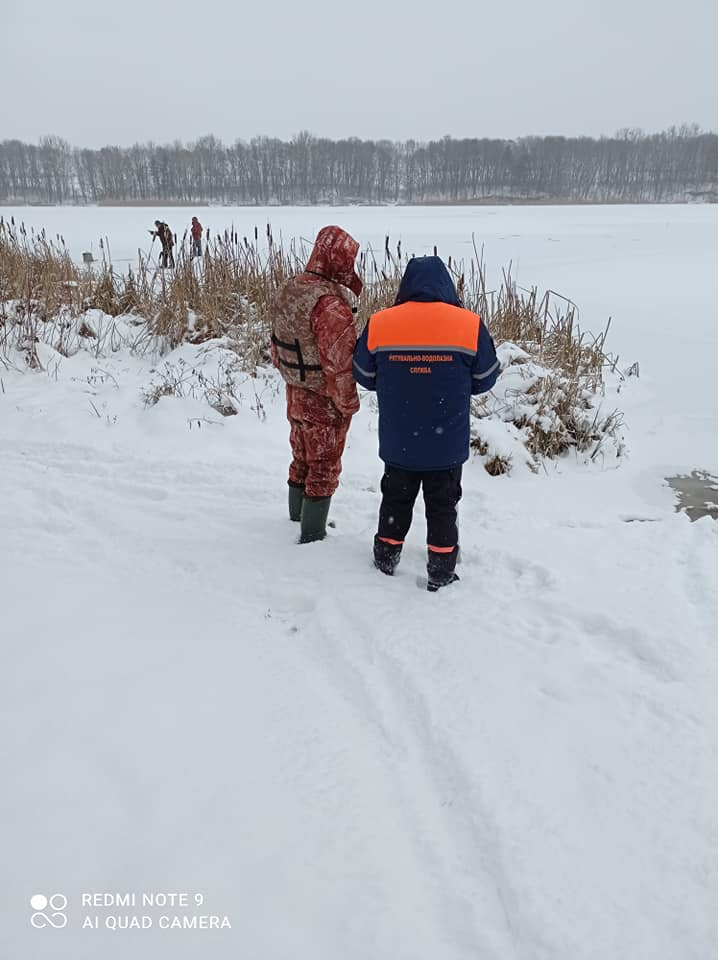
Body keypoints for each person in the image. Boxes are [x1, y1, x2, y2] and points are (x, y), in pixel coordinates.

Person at [353, 255, 500, 591]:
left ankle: (385, 558)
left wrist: (396, 380)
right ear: (445, 284)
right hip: (445, 442)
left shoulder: (380, 323)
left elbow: (363, 373)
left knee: (395, 500)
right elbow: (486, 377)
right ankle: (442, 571)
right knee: (443, 506)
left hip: (399, 439)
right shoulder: (469, 324)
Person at [270, 225, 362, 543]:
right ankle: (312, 534)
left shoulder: (289, 288)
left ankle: (297, 518)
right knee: (323, 465)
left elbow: (276, 345)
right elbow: (340, 364)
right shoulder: (329, 304)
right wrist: (347, 403)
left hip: (294, 391)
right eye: (348, 259)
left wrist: (292, 378)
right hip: (323, 398)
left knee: (301, 457)